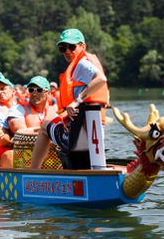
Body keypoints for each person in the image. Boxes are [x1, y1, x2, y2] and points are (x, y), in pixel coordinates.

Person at [30, 28, 109, 169]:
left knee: (44, 127)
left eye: (72, 47)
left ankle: (32, 172)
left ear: (82, 47)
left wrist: (76, 101)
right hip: (93, 136)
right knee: (56, 123)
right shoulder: (88, 62)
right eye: (63, 48)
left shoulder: (81, 64)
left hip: (79, 138)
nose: (67, 51)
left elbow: (101, 79)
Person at [0, 76, 58, 168]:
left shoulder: (53, 113)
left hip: (49, 156)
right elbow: (21, 132)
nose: (34, 93)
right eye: (31, 90)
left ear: (48, 93)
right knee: (9, 155)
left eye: (39, 90)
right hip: (24, 154)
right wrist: (45, 131)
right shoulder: (18, 109)